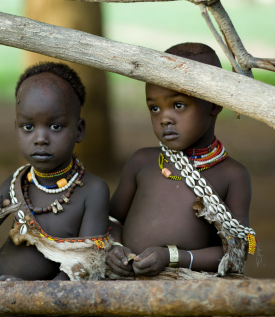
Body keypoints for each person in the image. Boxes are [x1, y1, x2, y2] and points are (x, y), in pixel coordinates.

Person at [107, 43, 257, 278]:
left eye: (178, 105)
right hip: (126, 280)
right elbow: (110, 219)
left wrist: (172, 257)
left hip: (189, 288)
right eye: (154, 108)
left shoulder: (232, 175)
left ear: (214, 104)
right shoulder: (143, 162)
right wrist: (115, 249)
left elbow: (237, 252)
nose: (165, 118)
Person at [0, 62, 111, 281]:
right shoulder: (15, 184)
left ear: (79, 130)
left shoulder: (93, 191)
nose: (40, 139)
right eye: (28, 127)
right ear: (16, 128)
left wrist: (33, 297)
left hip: (48, 305)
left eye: (55, 127)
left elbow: (87, 263)